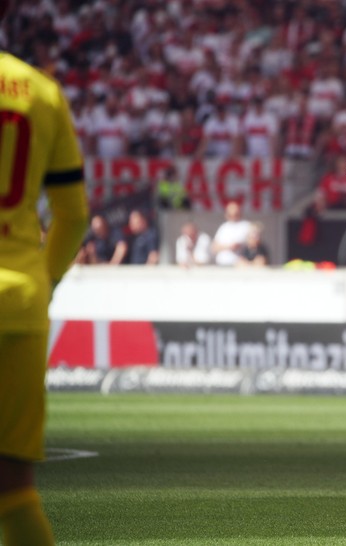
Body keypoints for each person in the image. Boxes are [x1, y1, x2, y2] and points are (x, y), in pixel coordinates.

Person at [0, 7, 91, 543]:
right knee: (14, 489)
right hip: (20, 300)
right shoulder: (39, 92)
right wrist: (43, 281)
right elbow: (73, 215)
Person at [211, 201, 251, 266]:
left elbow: (235, 246)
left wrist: (222, 247)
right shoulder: (223, 227)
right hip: (221, 264)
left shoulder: (245, 226)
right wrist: (228, 247)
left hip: (237, 264)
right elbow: (214, 247)